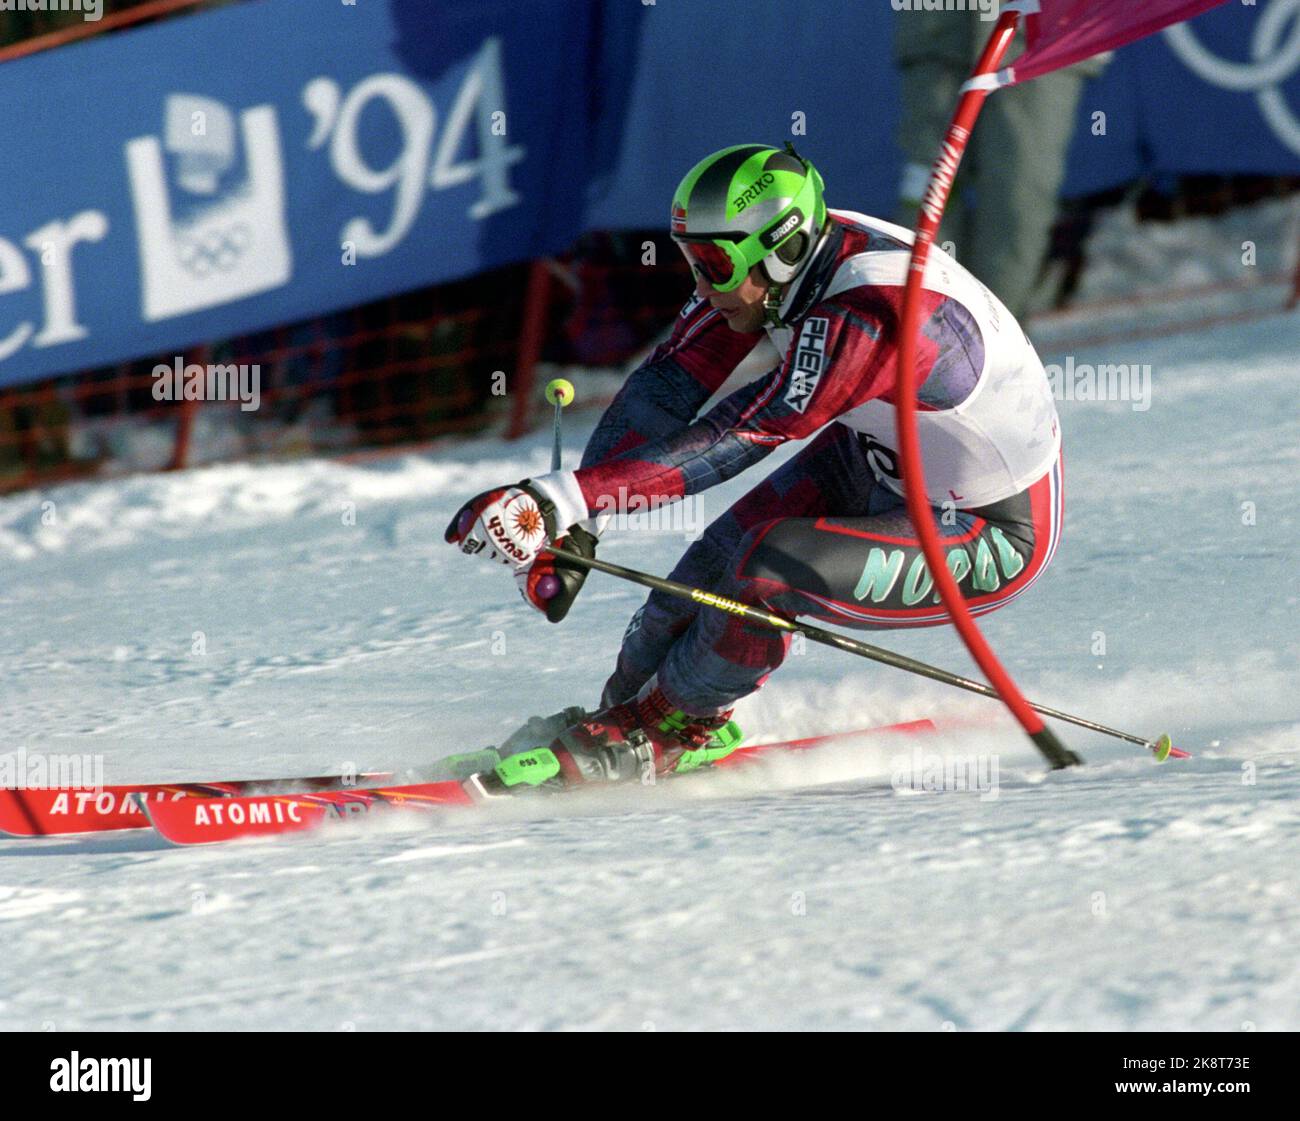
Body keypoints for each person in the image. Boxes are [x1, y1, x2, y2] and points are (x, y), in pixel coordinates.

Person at [447, 143, 1062, 787]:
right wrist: (585, 520)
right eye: (691, 261)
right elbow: (670, 384)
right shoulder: (781, 271)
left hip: (985, 526)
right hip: (874, 459)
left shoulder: (873, 314)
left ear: (783, 247)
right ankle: (623, 718)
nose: (702, 283)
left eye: (713, 264)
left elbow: (750, 428)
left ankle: (676, 727)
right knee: (696, 584)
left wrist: (563, 499)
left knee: (769, 570)